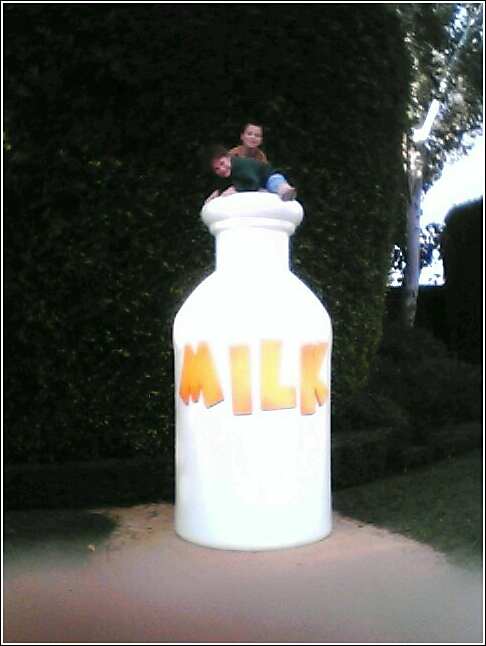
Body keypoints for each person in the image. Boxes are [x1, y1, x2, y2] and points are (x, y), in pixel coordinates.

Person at [205, 145, 296, 203]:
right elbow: (225, 186)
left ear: (228, 157)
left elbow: (252, 181)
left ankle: (285, 190)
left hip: (269, 177)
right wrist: (218, 193)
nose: (222, 169)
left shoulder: (240, 165)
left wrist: (235, 189)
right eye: (217, 169)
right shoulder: (227, 174)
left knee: (275, 183)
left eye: (222, 163)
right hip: (260, 186)